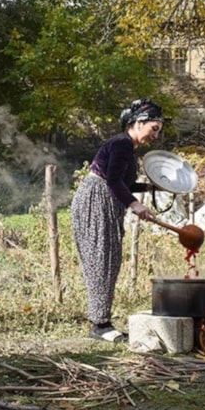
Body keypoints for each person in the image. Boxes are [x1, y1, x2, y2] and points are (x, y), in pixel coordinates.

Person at [71, 98, 161, 342]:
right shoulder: (121, 143)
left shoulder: (126, 147)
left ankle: (101, 320)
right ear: (139, 123)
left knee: (107, 259)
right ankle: (100, 325)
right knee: (103, 259)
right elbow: (112, 182)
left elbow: (123, 182)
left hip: (103, 200)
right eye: (154, 129)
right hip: (97, 201)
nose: (155, 135)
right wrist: (134, 203)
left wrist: (149, 187)